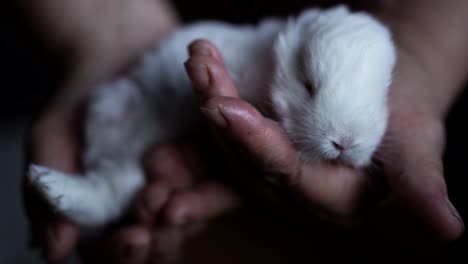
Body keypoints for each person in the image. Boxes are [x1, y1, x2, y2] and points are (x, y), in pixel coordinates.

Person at [21, 0, 468, 263]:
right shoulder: (252, 54)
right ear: (287, 47)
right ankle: (100, 193)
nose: (343, 139)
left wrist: (423, 54)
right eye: (309, 87)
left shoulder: (367, 50)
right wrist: (106, 33)